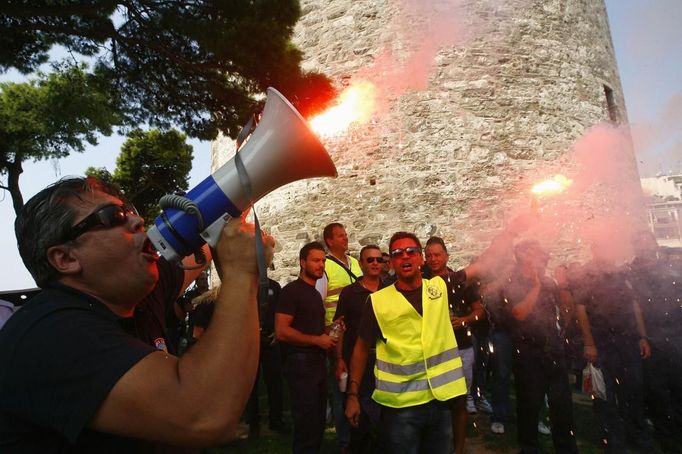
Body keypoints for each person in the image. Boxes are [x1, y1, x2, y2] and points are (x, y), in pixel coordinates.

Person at [0, 176, 273, 453]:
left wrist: (245, 183)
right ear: (66, 259)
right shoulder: (50, 333)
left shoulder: (137, 295)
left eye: (130, 211)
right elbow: (204, 415)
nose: (138, 221)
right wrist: (240, 272)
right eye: (112, 216)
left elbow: (201, 245)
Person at [346, 232, 467, 454]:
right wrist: (352, 395)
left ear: (421, 258)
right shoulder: (378, 302)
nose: (405, 257)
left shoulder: (439, 288)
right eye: (397, 253)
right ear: (390, 262)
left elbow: (482, 267)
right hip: (401, 406)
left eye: (411, 251)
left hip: (440, 400)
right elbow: (361, 348)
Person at [574, 239, 653, 453]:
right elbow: (580, 309)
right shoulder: (586, 275)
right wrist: (589, 343)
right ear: (594, 248)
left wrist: (642, 337)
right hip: (602, 341)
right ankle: (611, 440)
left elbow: (634, 305)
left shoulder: (621, 273)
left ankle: (638, 437)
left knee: (633, 388)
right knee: (605, 393)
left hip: (628, 340)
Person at [501, 241, 578, 454]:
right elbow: (519, 313)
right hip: (527, 354)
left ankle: (567, 449)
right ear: (523, 256)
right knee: (529, 407)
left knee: (562, 407)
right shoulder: (512, 282)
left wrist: (563, 288)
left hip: (553, 350)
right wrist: (536, 287)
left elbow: (566, 312)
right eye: (535, 254)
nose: (541, 259)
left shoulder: (548, 281)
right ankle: (529, 449)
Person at [423, 236, 486, 454]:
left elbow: (479, 311)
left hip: (461, 347)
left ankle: (458, 448)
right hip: (434, 350)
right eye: (428, 255)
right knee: (433, 400)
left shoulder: (461, 282)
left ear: (446, 256)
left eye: (437, 255)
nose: (432, 259)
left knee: (458, 400)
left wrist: (464, 321)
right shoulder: (421, 282)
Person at [275, 241, 338, 454]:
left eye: (323, 261)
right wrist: (316, 340)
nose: (321, 265)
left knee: (318, 424)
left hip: (317, 364)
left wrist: (332, 332)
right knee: (306, 426)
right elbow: (282, 331)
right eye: (316, 260)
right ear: (303, 262)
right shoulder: (291, 292)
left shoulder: (314, 294)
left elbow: (313, 330)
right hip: (300, 365)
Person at [627, 230, 682, 453]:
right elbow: (634, 306)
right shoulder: (630, 272)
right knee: (658, 392)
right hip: (652, 339)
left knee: (679, 387)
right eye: (641, 241)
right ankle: (668, 438)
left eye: (649, 241)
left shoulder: (670, 268)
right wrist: (642, 336)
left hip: (677, 335)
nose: (646, 246)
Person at [333, 245, 385, 453]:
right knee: (358, 413)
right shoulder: (349, 292)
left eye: (378, 260)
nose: (375, 263)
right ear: (361, 264)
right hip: (357, 359)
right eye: (370, 260)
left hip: (386, 359)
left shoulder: (391, 288)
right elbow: (340, 327)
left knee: (386, 415)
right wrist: (338, 358)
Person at [317, 222, 362, 453]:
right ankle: (345, 441)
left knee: (358, 384)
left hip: (357, 333)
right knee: (339, 387)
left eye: (346, 235)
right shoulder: (324, 268)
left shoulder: (355, 263)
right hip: (334, 335)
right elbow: (318, 302)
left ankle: (360, 434)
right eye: (340, 236)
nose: (345, 239)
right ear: (329, 241)